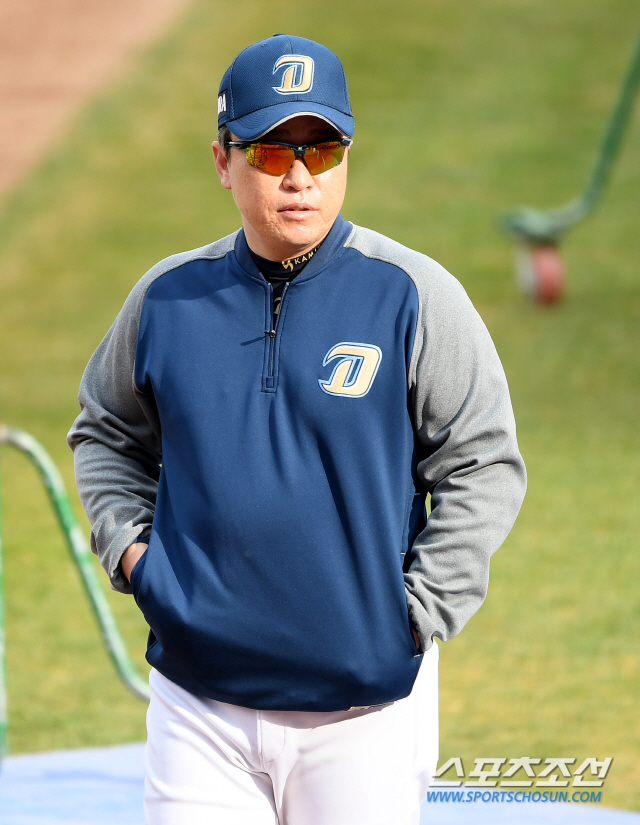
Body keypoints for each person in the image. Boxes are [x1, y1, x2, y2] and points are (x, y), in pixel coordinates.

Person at [68, 33, 526, 825]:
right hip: (198, 706)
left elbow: (483, 461)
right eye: (274, 152)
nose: (302, 176)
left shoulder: (413, 294)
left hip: (365, 713)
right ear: (223, 161)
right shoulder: (168, 299)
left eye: (324, 148)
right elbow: (106, 430)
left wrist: (416, 612)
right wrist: (137, 558)